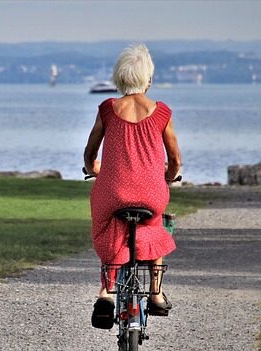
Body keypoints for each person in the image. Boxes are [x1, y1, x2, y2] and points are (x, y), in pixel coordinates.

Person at [83, 43, 181, 329]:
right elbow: (174, 158)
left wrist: (94, 169)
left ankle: (106, 293)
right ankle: (156, 292)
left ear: (119, 77)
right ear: (147, 79)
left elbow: (90, 154)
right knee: (155, 226)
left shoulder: (107, 109)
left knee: (109, 224)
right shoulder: (162, 112)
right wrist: (170, 175)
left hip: (113, 192)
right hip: (151, 193)